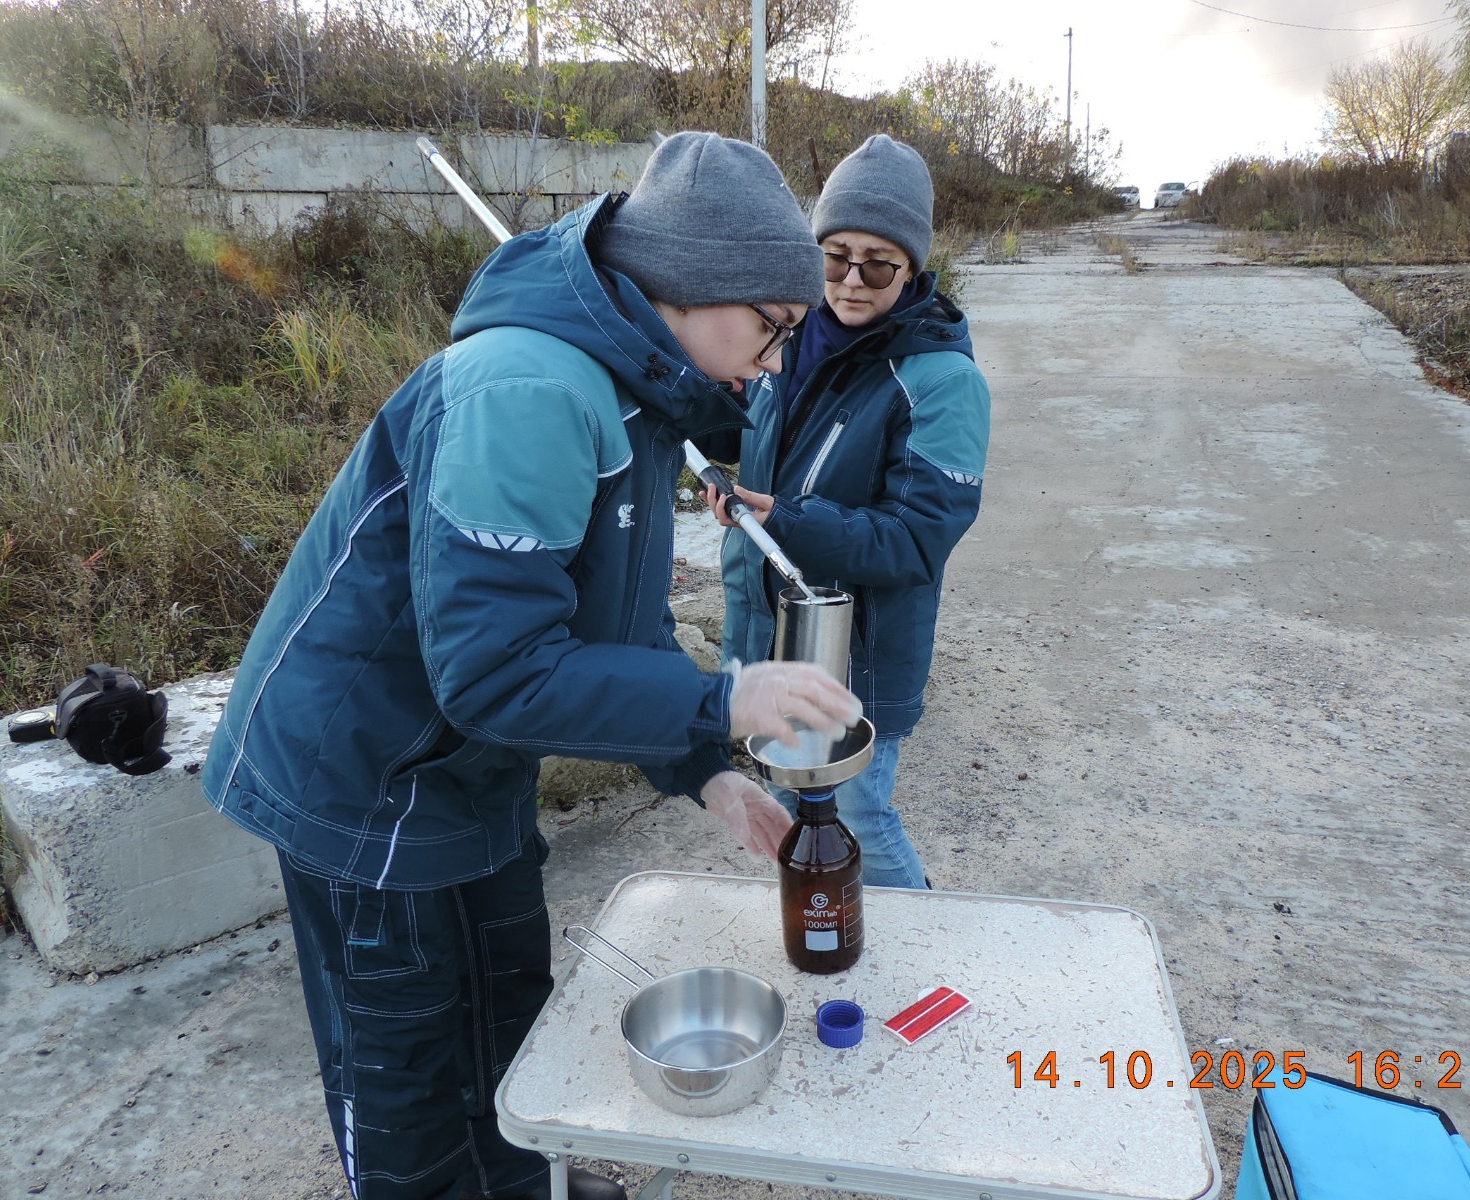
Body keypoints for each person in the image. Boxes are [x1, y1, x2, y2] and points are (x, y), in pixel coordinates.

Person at [200, 132, 861, 1200]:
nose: (777, 360)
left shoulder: (640, 399)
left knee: (510, 1011)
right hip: (369, 780)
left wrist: (704, 767)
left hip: (467, 767)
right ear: (694, 286)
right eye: (776, 328)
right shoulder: (525, 390)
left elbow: (610, 621)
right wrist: (725, 698)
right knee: (407, 1063)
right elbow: (496, 672)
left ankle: (519, 1183)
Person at [703, 134, 991, 890]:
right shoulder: (784, 338)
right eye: (835, 255)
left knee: (857, 815)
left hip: (855, 659)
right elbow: (742, 435)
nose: (852, 281)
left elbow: (915, 540)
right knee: (783, 809)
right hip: (769, 643)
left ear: (914, 266)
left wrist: (787, 519)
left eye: (879, 263)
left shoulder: (942, 382)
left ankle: (932, 950)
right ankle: (824, 940)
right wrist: (730, 488)